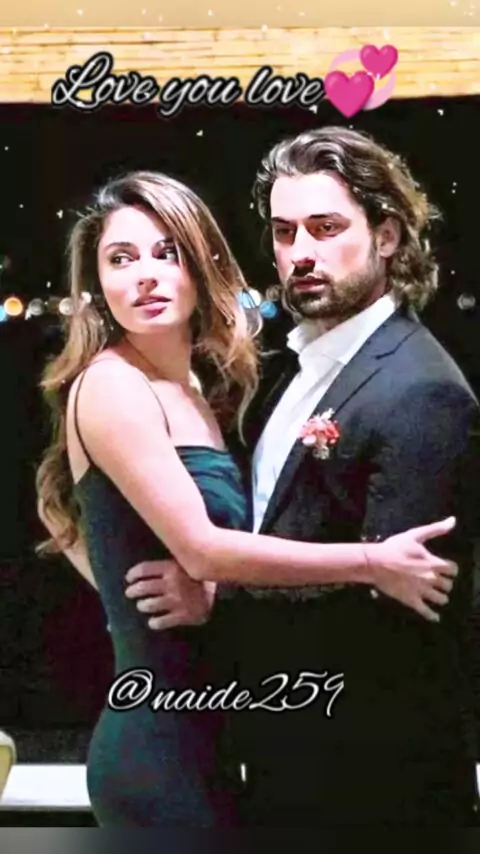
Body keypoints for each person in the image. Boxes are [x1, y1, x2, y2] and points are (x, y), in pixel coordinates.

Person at [35, 169, 458, 828]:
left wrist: (160, 594)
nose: (144, 275)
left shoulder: (199, 388)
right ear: (97, 283)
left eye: (166, 252)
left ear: (200, 264)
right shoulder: (113, 385)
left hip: (220, 727)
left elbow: (59, 512)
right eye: (121, 259)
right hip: (161, 739)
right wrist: (372, 562)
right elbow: (203, 550)